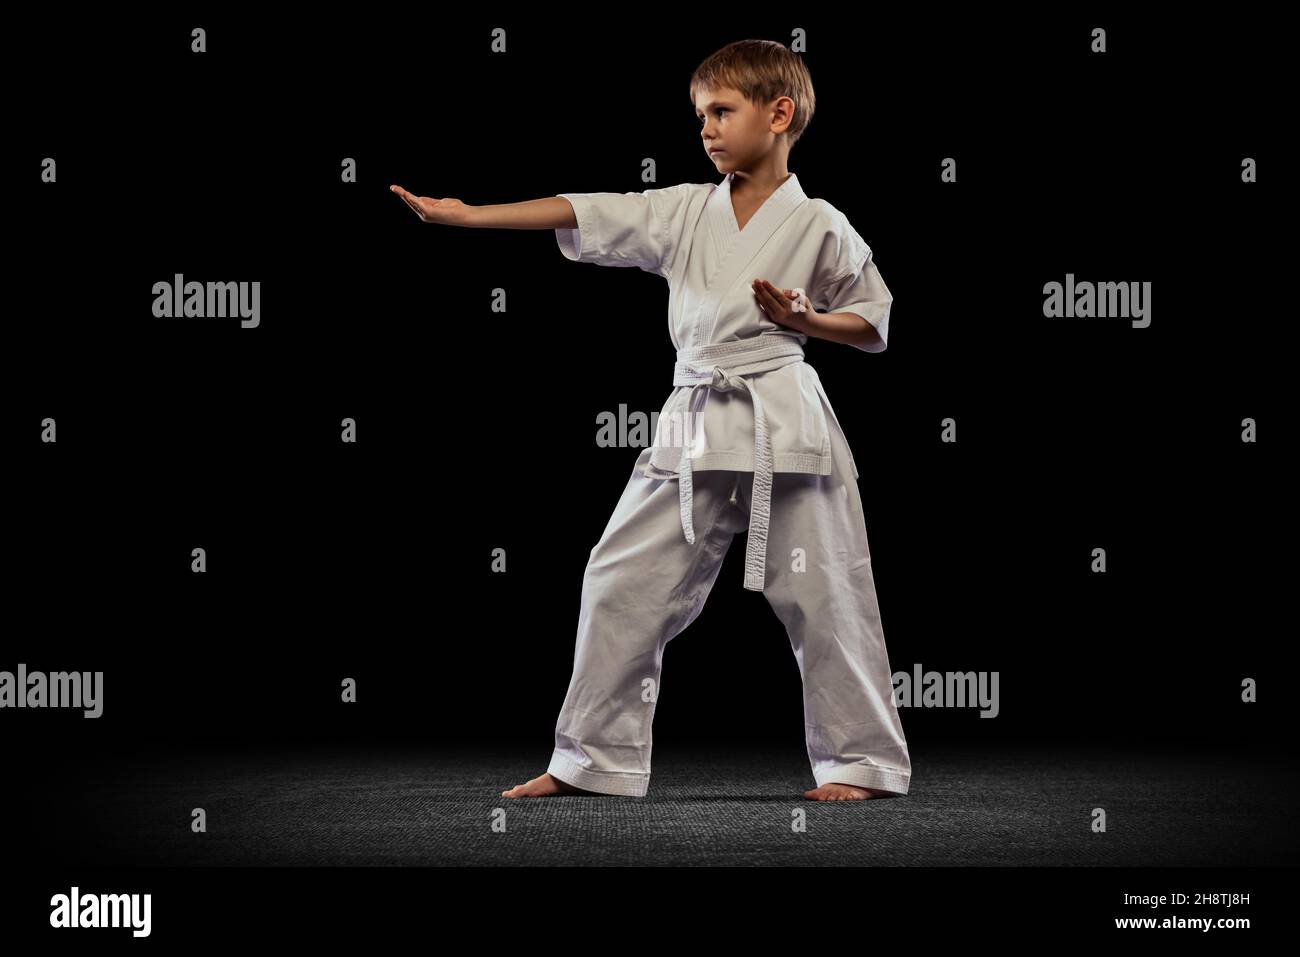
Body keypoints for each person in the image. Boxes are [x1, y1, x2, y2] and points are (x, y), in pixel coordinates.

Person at [391, 39, 910, 801]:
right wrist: (470, 216)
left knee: (829, 592)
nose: (706, 128)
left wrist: (812, 318)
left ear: (780, 114)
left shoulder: (822, 222)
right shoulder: (685, 210)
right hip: (692, 421)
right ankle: (592, 759)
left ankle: (861, 762)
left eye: (722, 111)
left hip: (785, 422)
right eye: (700, 114)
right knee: (618, 578)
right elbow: (590, 208)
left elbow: (875, 322)